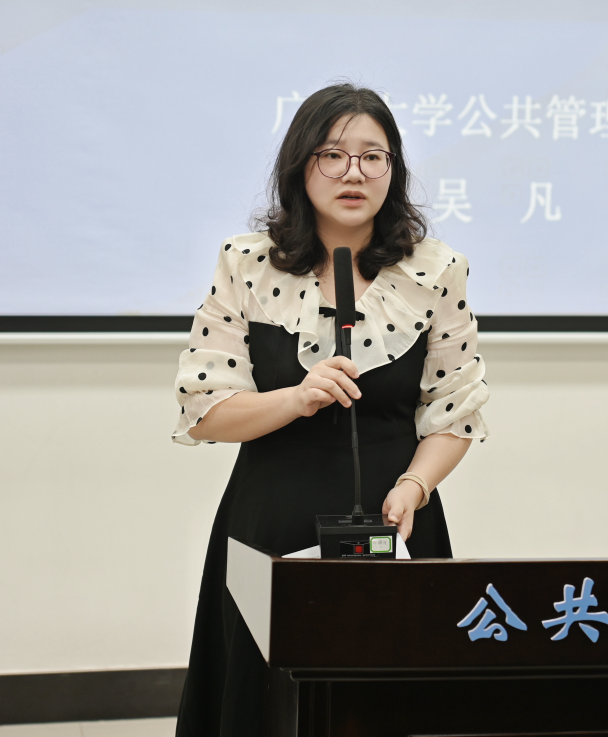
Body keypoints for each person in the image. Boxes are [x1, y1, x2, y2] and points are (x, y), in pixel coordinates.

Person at [170, 83, 490, 735]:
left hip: (397, 524)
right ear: (300, 165)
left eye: (373, 156)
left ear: (393, 170)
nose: (354, 172)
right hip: (271, 525)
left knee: (390, 709)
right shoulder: (247, 263)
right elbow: (205, 412)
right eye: (333, 154)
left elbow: (453, 411)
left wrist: (414, 485)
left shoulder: (437, 270)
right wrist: (295, 398)